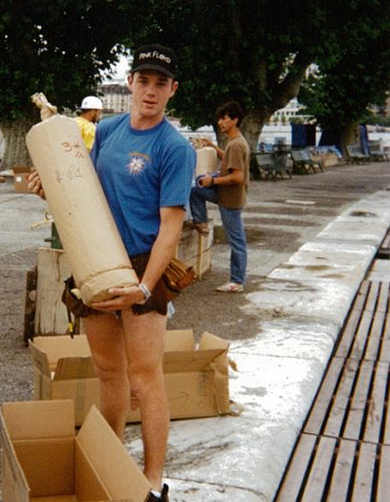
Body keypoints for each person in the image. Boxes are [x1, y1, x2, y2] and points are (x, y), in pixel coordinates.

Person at [28, 44, 196, 502]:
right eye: (144, 80)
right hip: (95, 257)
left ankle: (152, 481)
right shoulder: (109, 131)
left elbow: (170, 229)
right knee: (108, 372)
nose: (151, 90)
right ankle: (111, 459)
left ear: (172, 90)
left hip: (143, 264)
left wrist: (143, 289)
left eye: (161, 83)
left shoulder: (175, 148)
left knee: (145, 377)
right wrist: (51, 191)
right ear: (130, 83)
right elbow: (86, 199)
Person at [189, 101, 250, 293]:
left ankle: (236, 281)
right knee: (194, 190)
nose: (220, 123)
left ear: (235, 120)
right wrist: (213, 147)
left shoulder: (236, 145)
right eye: (220, 119)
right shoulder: (235, 142)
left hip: (230, 199)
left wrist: (212, 181)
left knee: (237, 241)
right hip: (228, 196)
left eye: (224, 119)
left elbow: (237, 177)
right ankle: (201, 222)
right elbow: (228, 160)